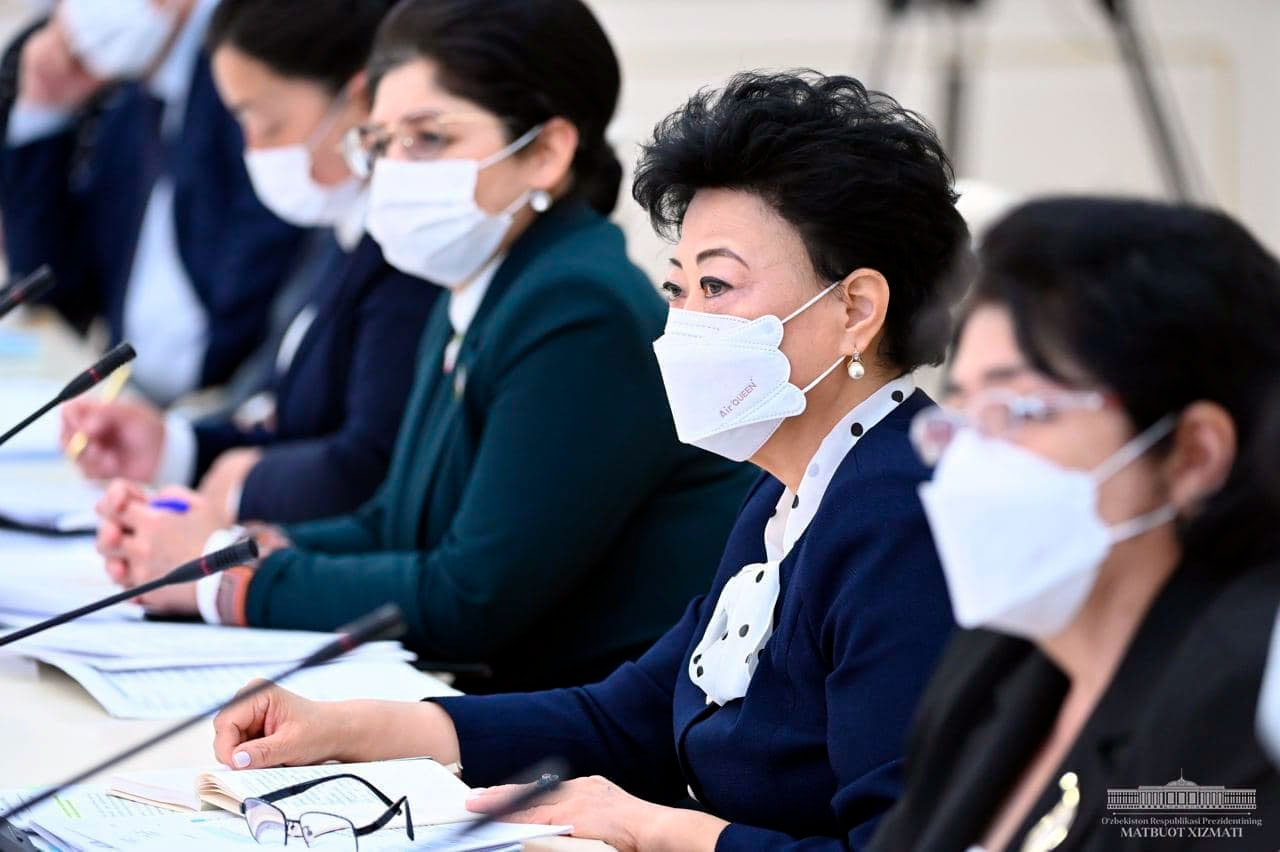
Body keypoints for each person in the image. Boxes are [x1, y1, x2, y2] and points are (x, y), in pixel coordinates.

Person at [207, 69, 970, 849]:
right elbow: (628, 716)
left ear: (856, 309)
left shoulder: (904, 516)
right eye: (678, 289)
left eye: (718, 286)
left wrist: (654, 829)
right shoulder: (794, 489)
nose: (685, 325)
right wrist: (352, 727)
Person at [94, 0, 755, 693]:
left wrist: (225, 581)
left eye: (429, 138)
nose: (394, 169)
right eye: (381, 143)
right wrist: (226, 549)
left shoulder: (577, 305)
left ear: (545, 151)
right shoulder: (483, 279)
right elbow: (396, 522)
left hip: (591, 726)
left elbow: (469, 600)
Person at [867, 198, 1280, 851]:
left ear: (1194, 455)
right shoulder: (995, 661)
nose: (972, 458)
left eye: (1020, 411)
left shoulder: (1245, 715)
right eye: (964, 412)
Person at [56, 0, 436, 526]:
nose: (253, 149)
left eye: (269, 125)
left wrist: (244, 489)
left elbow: (372, 466)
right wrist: (171, 449)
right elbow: (295, 428)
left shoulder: (409, 257)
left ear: (361, 103)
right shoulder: (341, 234)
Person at [0, 0, 305, 404]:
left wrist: (190, 427)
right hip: (132, 393)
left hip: (217, 406)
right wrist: (45, 114)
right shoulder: (132, 98)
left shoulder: (248, 71)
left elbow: (259, 288)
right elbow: (49, 285)